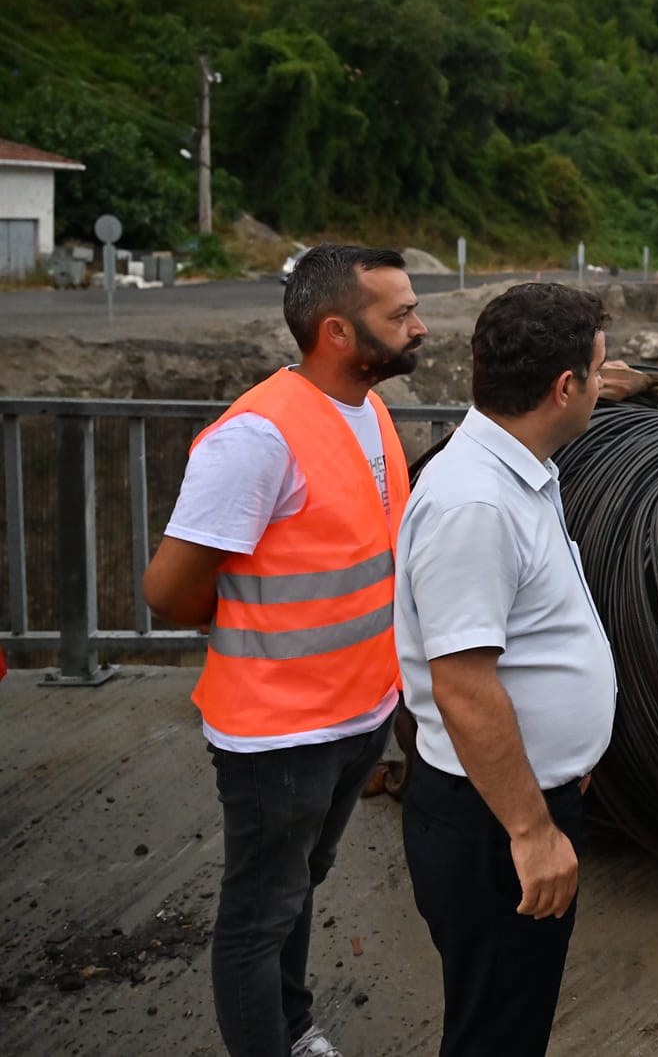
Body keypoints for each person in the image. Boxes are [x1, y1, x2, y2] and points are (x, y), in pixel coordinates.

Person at [142, 244, 427, 1057]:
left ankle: (293, 1026)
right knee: (257, 916)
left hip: (356, 713)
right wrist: (245, 626)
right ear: (338, 331)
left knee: (297, 889)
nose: (420, 326)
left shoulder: (366, 409)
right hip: (279, 733)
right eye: (400, 314)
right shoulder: (256, 438)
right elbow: (169, 591)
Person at [392, 283, 617, 1057]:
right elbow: (462, 683)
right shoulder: (475, 504)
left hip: (516, 796)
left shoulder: (519, 467)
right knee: (496, 1033)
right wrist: (531, 829)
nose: (603, 380)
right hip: (492, 823)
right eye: (598, 368)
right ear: (565, 388)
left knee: (508, 1017)